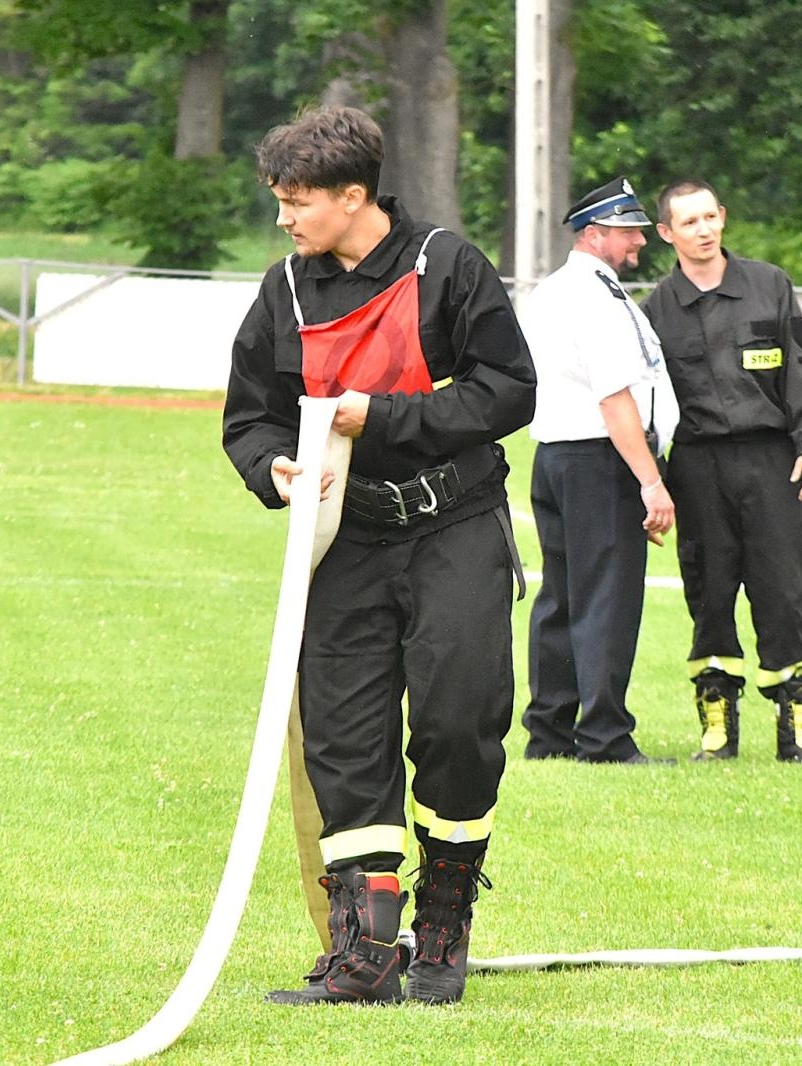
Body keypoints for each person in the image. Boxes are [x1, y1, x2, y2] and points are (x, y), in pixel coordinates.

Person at [222, 106, 535, 1006]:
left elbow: (510, 391)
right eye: (279, 201)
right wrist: (272, 466)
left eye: (297, 202)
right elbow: (251, 414)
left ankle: (443, 920)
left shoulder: (449, 267)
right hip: (344, 542)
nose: (284, 219)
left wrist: (382, 417)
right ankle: (364, 951)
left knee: (458, 721)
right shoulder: (282, 290)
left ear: (354, 196)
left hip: (454, 528)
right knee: (346, 738)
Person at [638, 179, 802, 765]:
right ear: (666, 234)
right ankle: (717, 729)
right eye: (689, 223)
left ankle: (797, 731)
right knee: (710, 591)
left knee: (782, 590)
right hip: (697, 468)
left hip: (772, 462)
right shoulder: (655, 311)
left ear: (722, 217)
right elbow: (646, 406)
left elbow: (801, 370)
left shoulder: (769, 286)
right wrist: (650, 481)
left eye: (710, 218)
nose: (703, 231)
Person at [518, 177, 679, 765]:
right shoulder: (594, 298)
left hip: (559, 456)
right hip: (599, 457)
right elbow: (615, 397)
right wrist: (651, 480)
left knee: (561, 597)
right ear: (595, 233)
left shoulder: (559, 290)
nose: (639, 241)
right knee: (606, 599)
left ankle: (551, 733)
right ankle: (606, 737)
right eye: (629, 231)